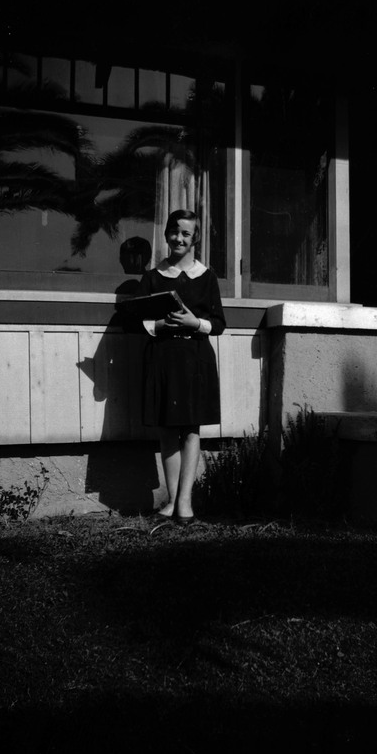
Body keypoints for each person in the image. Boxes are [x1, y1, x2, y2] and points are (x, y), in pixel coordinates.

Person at [135, 209, 226, 524]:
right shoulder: (153, 276)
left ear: (195, 239)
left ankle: (185, 501)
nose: (179, 238)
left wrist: (193, 321)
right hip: (162, 356)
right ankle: (172, 499)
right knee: (166, 428)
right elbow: (137, 320)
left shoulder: (207, 276)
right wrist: (159, 324)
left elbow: (219, 324)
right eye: (174, 232)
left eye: (186, 233)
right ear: (166, 234)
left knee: (190, 428)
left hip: (195, 356)